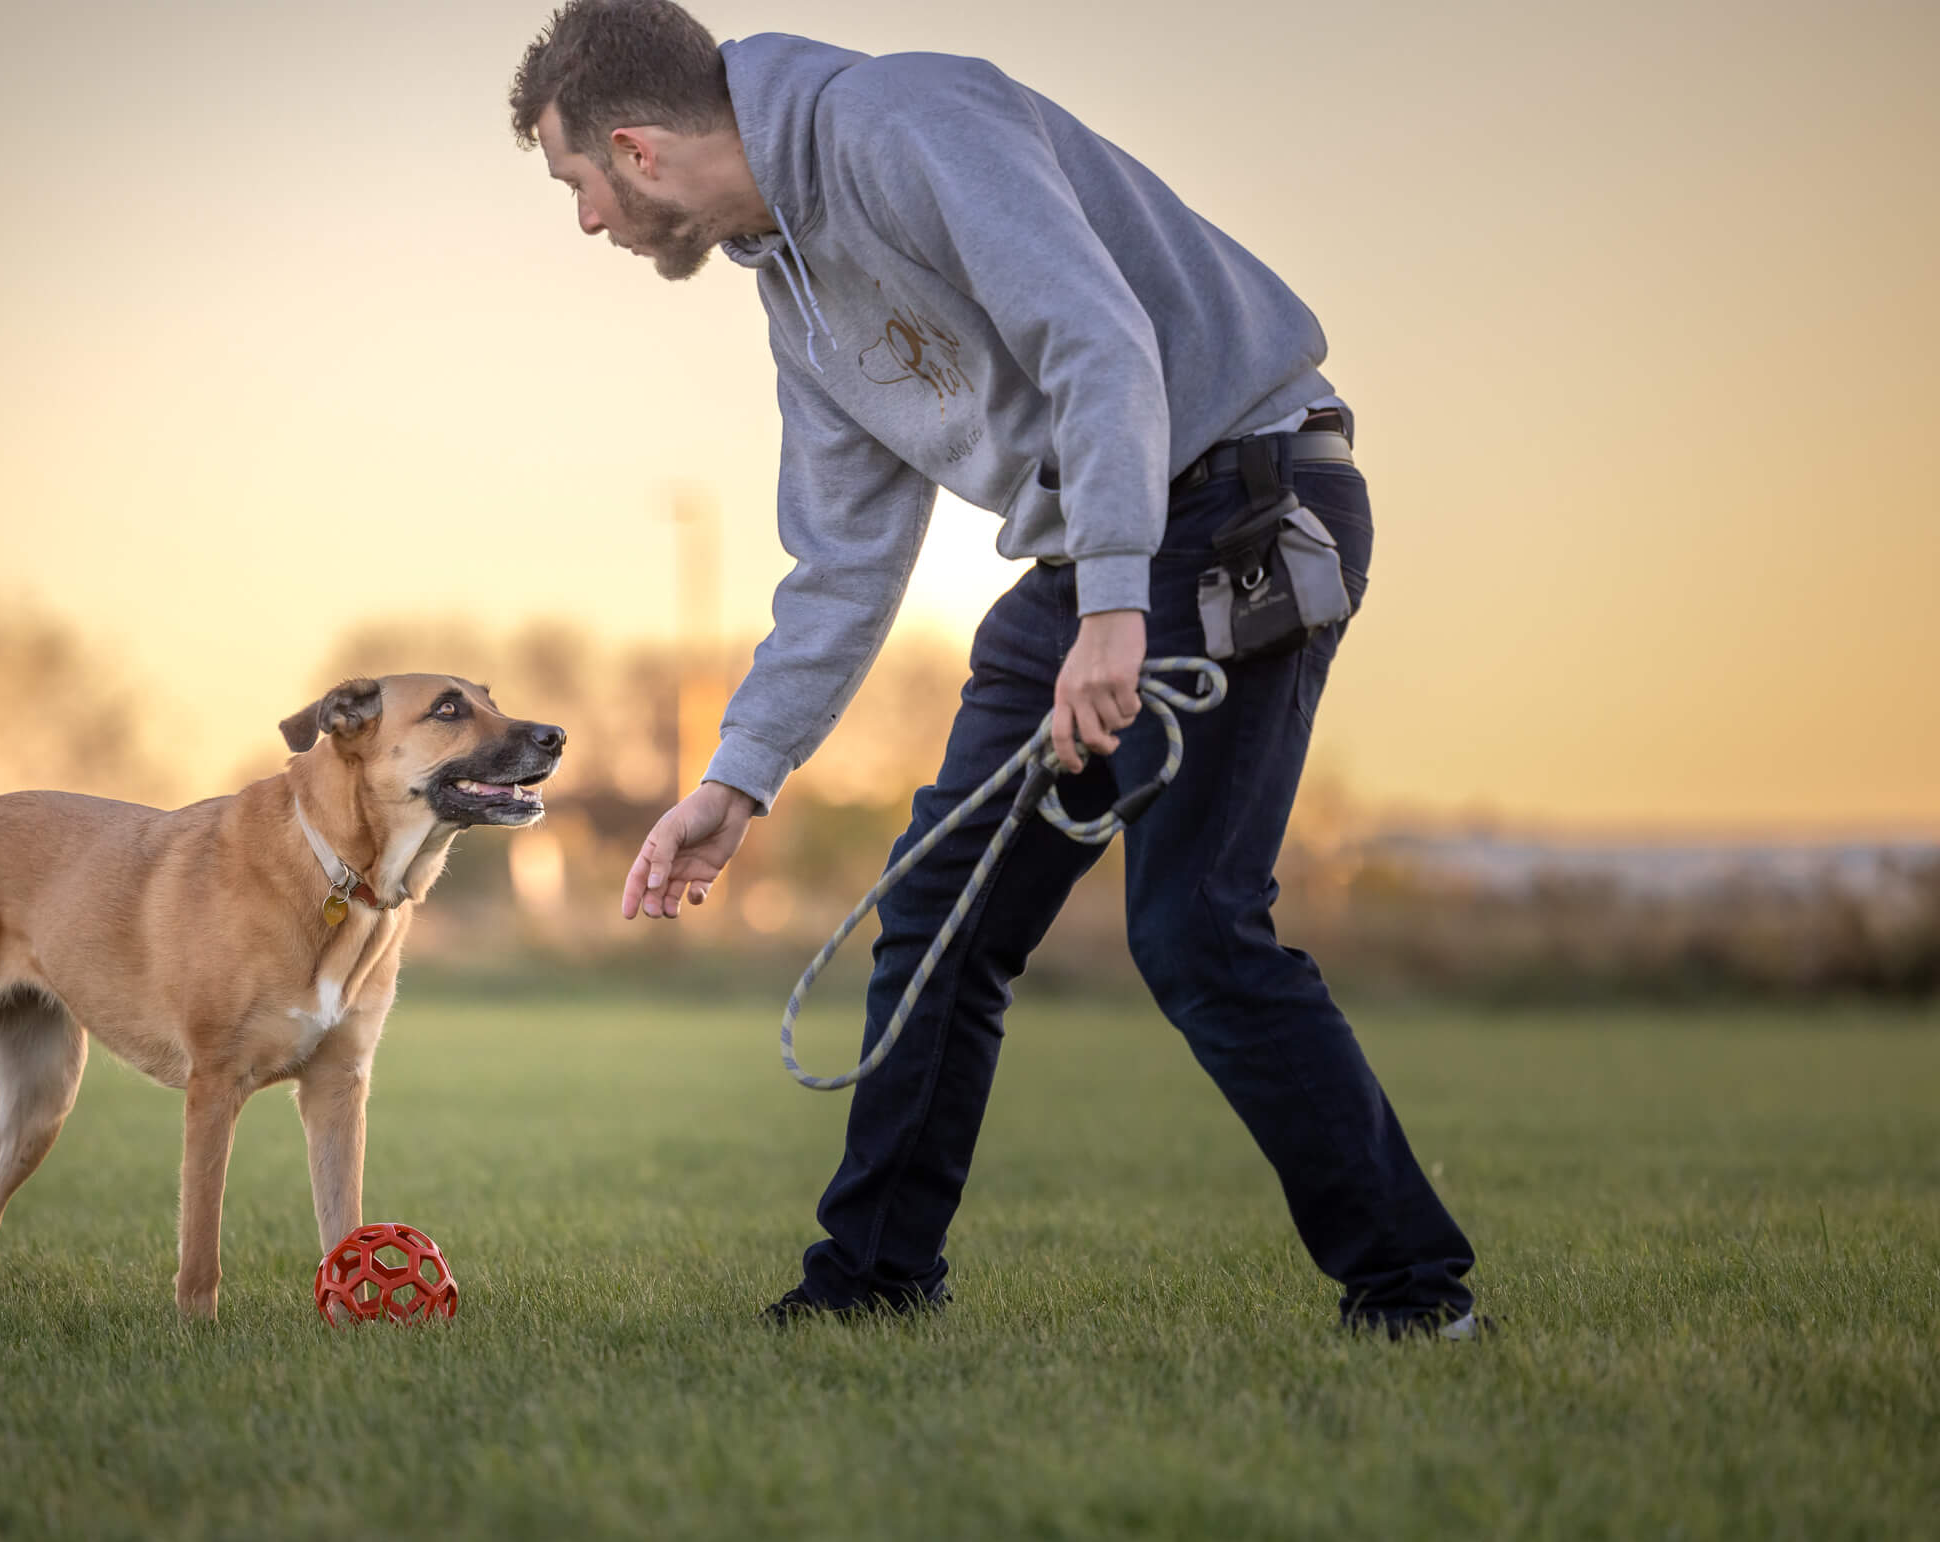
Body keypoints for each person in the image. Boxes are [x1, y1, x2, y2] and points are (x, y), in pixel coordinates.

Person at [508, 0, 1480, 1336]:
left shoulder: (905, 121)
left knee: (1194, 924)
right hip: (1095, 555)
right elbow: (842, 565)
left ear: (636, 149)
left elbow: (1099, 337)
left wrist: (1120, 605)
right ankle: (876, 1282)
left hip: (1238, 499)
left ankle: (1416, 1291)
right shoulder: (795, 295)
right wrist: (736, 781)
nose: (588, 224)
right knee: (940, 915)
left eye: (577, 186)